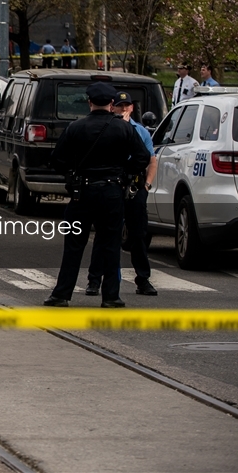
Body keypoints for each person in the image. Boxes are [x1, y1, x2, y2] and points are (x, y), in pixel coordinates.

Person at [44, 82, 151, 308]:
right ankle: (111, 296)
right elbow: (142, 158)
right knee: (110, 243)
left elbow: (56, 160)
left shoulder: (76, 127)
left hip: (82, 191)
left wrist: (72, 173)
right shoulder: (124, 128)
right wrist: (123, 173)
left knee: (74, 244)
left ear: (89, 102)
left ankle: (62, 294)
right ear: (112, 104)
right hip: (112, 191)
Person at [85, 91, 158, 297]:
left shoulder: (141, 131)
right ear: (112, 107)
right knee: (105, 234)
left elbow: (151, 159)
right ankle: (94, 280)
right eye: (120, 105)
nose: (124, 109)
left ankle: (143, 279)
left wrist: (147, 185)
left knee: (138, 235)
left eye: (127, 105)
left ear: (132, 108)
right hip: (113, 185)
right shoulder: (108, 128)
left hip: (134, 186)